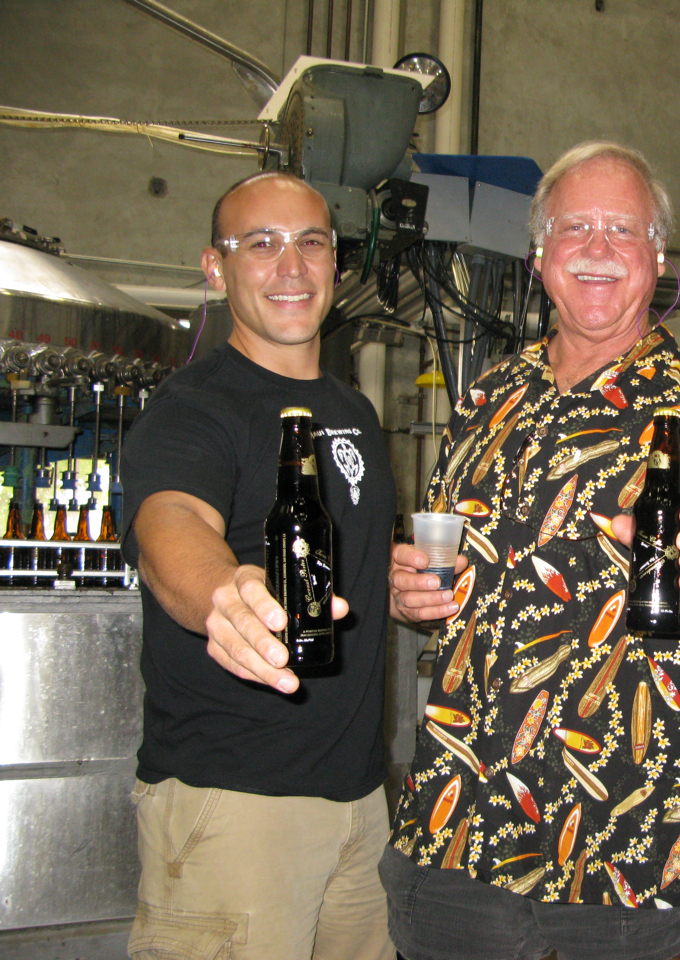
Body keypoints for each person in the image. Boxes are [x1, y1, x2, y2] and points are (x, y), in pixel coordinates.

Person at [380, 141, 680, 960]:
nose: (597, 249)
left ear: (657, 258)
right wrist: (410, 594)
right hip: (460, 827)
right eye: (575, 227)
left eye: (623, 230)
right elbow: (446, 573)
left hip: (628, 845)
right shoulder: (487, 398)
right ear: (539, 255)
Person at [122, 172, 399, 960]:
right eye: (262, 244)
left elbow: (344, 558)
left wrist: (396, 580)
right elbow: (171, 524)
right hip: (235, 804)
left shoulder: (353, 411)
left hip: (358, 801)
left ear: (336, 264)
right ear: (217, 268)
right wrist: (223, 592)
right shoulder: (194, 406)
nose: (292, 267)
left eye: (311, 243)